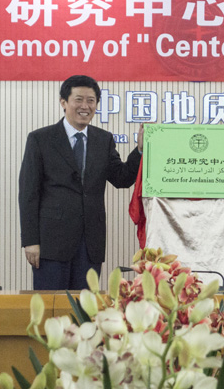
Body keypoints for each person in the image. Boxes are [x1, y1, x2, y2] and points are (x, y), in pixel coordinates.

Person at [19, 75, 143, 290]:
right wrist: (30, 241)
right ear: (63, 102)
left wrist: (140, 150)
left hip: (90, 244)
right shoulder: (41, 139)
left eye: (91, 100)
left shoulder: (103, 140)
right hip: (50, 244)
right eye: (78, 99)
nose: (85, 106)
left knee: (86, 311)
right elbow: (29, 193)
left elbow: (121, 178)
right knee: (52, 310)